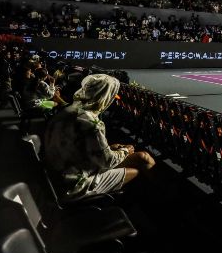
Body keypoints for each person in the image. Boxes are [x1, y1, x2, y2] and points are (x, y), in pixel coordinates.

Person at [44, 74, 155, 202]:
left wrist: (111, 149)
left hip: (56, 176)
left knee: (141, 157)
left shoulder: (67, 110)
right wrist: (125, 151)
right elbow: (107, 161)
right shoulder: (91, 123)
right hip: (74, 185)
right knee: (140, 162)